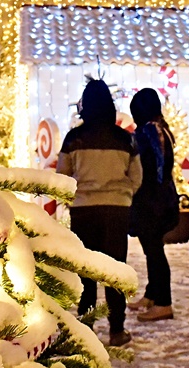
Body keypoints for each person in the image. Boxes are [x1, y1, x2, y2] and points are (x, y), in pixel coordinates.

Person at [57, 79, 142, 347]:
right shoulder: (125, 139)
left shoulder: (74, 138)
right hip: (116, 210)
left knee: (87, 272)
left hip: (83, 211)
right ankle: (117, 329)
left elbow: (62, 175)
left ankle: (86, 329)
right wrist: (123, 194)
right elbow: (137, 176)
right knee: (115, 270)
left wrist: (75, 196)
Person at [128, 88, 179, 322]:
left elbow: (144, 168)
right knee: (152, 249)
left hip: (151, 201)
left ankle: (163, 303)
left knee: (154, 250)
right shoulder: (161, 129)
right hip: (161, 198)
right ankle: (152, 294)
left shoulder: (148, 132)